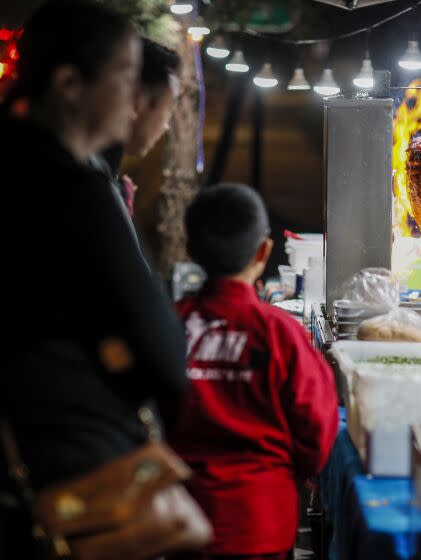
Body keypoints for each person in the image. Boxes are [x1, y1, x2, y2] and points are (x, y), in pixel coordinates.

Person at [0, 1, 188, 554]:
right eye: (125, 78)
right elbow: (164, 357)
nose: (134, 101)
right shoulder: (75, 188)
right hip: (63, 473)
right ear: (69, 84)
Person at [163, 183, 340, 559]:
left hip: (180, 521)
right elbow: (317, 432)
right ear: (263, 251)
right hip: (260, 524)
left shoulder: (167, 327)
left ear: (190, 250)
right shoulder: (281, 334)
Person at [91, 38, 181, 216]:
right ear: (137, 102)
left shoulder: (97, 171)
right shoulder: (94, 190)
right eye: (168, 111)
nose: (166, 127)